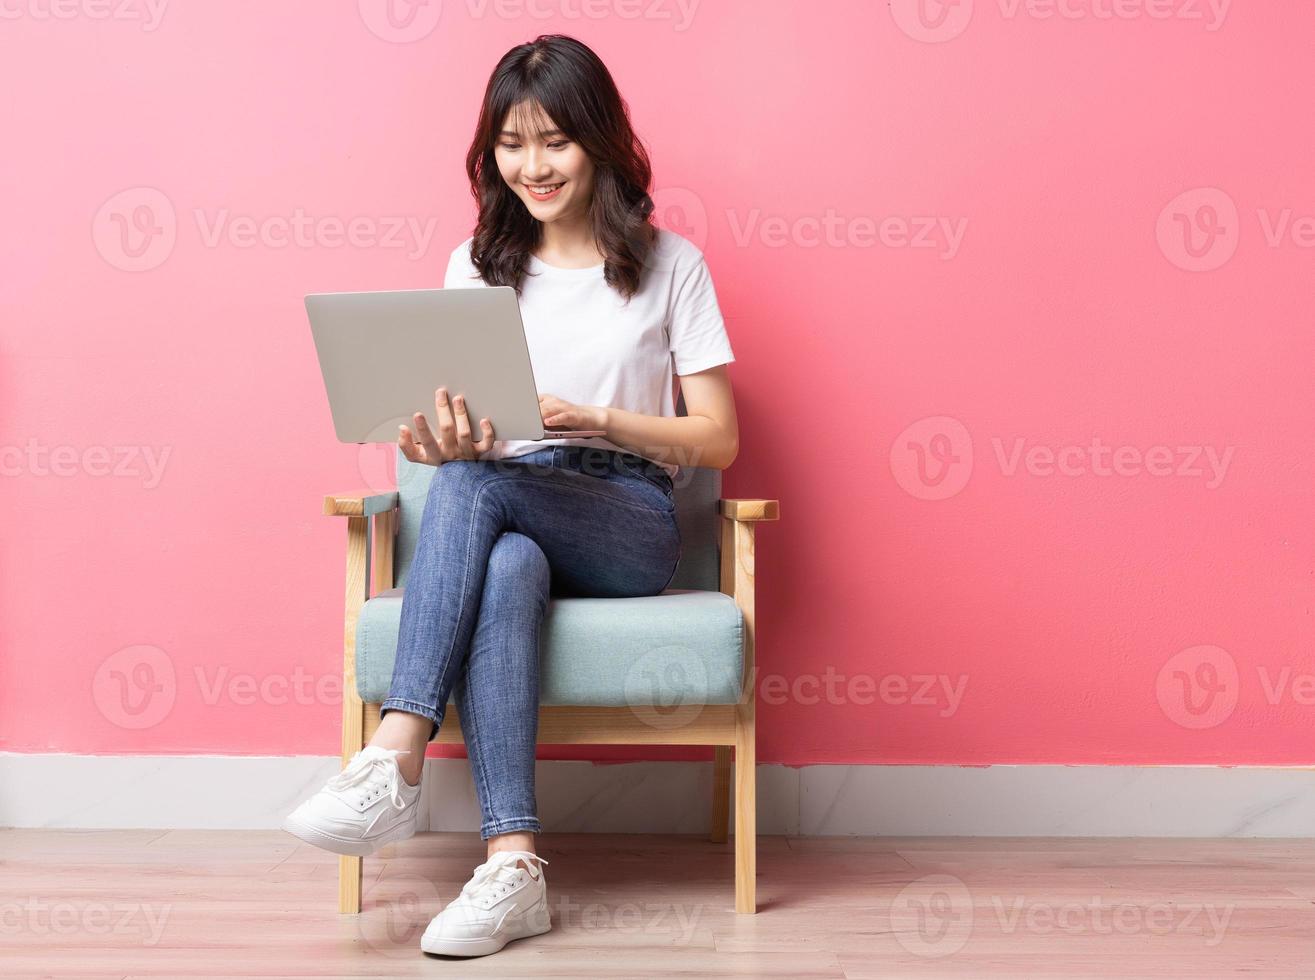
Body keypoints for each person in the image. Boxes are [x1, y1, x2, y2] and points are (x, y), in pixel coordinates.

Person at [282, 33, 738, 958]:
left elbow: (719, 437)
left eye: (554, 141)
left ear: (601, 141)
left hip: (627, 516)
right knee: (505, 549)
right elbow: (459, 425)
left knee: (477, 483)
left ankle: (395, 749)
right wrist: (434, 438)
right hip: (507, 500)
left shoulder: (669, 265)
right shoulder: (479, 263)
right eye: (511, 143)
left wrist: (598, 420)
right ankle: (512, 868)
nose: (532, 166)